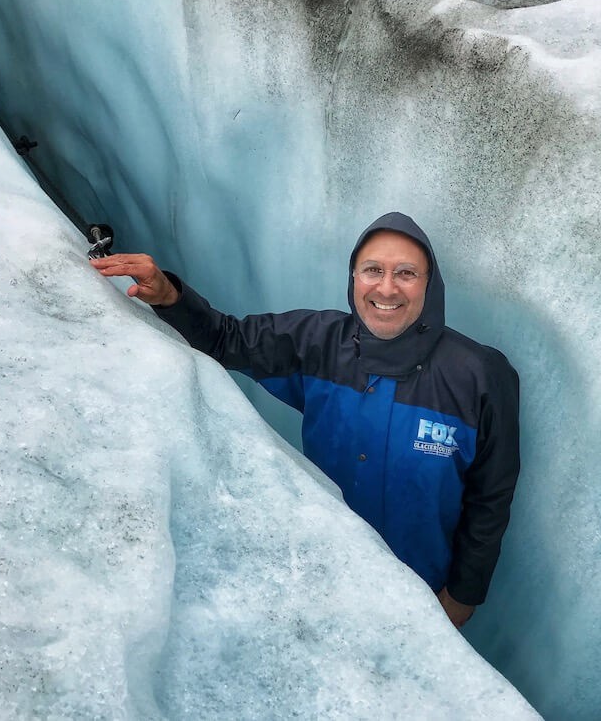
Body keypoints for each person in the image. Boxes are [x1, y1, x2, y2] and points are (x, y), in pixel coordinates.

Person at [91, 212, 520, 627]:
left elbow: (491, 495)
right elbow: (227, 339)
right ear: (354, 278)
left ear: (430, 284)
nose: (387, 288)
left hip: (419, 596)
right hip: (322, 579)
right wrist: (169, 295)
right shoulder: (317, 343)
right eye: (372, 270)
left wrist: (464, 595)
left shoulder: (479, 376)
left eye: (406, 273)